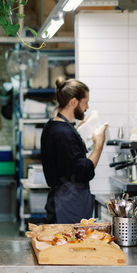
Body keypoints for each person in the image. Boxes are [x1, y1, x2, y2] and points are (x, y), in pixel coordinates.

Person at [41, 77, 107, 223]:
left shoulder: (52, 126)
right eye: (85, 102)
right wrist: (99, 145)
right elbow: (83, 172)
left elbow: (65, 154)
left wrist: (77, 129)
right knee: (72, 244)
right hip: (69, 204)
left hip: (61, 200)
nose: (87, 107)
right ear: (73, 102)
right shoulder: (64, 133)